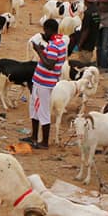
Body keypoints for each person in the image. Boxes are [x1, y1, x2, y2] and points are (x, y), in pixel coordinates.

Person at [23, 19, 67, 149]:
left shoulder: (53, 45)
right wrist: (44, 51)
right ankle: (34, 137)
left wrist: (39, 51)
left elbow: (49, 65)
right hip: (45, 81)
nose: (44, 33)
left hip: (44, 82)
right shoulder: (60, 43)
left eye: (45, 30)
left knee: (42, 111)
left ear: (49, 29)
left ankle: (44, 142)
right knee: (35, 109)